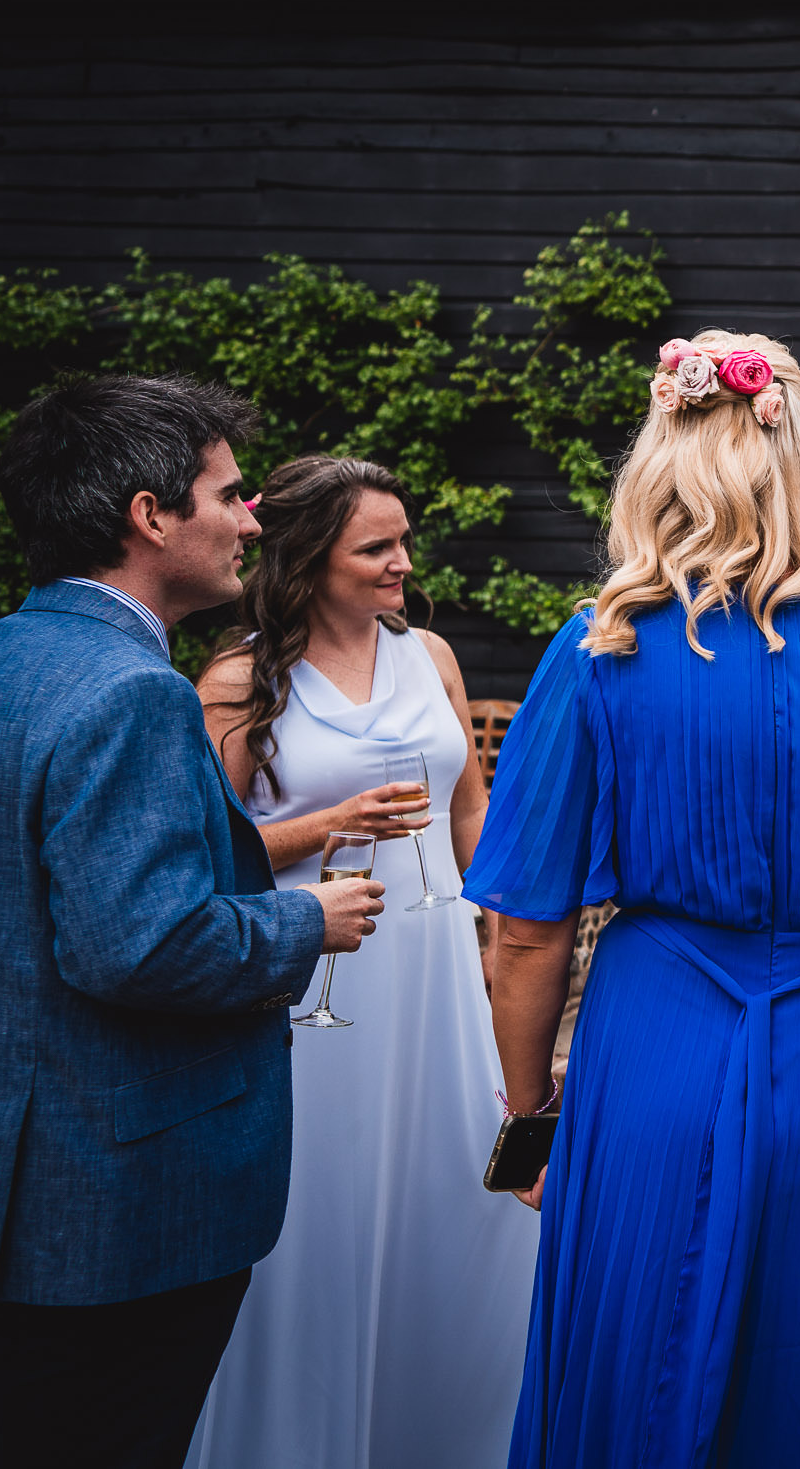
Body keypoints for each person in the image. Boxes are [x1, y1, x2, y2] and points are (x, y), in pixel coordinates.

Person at [462, 330, 800, 1469]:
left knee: (635, 1352)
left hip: (650, 1058)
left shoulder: (597, 647)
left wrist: (528, 1107)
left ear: (662, 455)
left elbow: (527, 928)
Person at [0, 375, 381, 1468]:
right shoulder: (132, 691)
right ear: (151, 515)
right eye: (230, 495)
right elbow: (135, 943)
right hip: (121, 1207)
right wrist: (305, 922)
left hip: (10, 1185)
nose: (251, 521)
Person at [184, 455, 535, 1469]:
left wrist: (509, 944)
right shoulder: (241, 681)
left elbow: (470, 816)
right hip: (315, 986)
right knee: (321, 1218)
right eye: (375, 547)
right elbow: (212, 857)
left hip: (436, 980)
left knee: (461, 1207)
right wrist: (328, 823)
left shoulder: (428, 652)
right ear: (307, 560)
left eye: (402, 540)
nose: (402, 563)